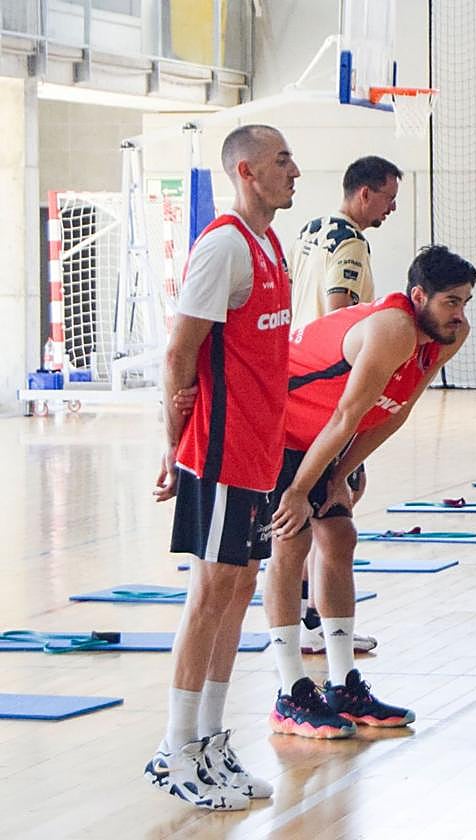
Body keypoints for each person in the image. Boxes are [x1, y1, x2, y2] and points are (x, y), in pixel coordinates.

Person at [144, 125, 299, 809]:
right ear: (246, 171)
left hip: (259, 451)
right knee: (208, 594)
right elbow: (179, 355)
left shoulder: (269, 243)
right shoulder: (224, 245)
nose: (294, 170)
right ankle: (175, 750)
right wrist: (174, 449)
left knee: (239, 589)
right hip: (219, 449)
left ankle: (208, 739)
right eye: (281, 160)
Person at [263, 245, 476, 738]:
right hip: (282, 423)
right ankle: (289, 691)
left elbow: (396, 411)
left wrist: (342, 473)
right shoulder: (393, 330)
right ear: (419, 295)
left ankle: (342, 685)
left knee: (339, 538)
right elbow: (345, 415)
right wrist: (299, 489)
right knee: (290, 541)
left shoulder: (450, 334)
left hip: (324, 435)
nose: (460, 313)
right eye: (450, 302)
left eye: (465, 301)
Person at [287, 155, 403, 657]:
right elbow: (340, 311)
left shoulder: (311, 229)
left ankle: (311, 616)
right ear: (364, 193)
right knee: (333, 505)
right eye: (388, 199)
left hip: (296, 376)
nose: (391, 209)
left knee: (330, 504)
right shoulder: (351, 241)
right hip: (328, 386)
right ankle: (313, 617)